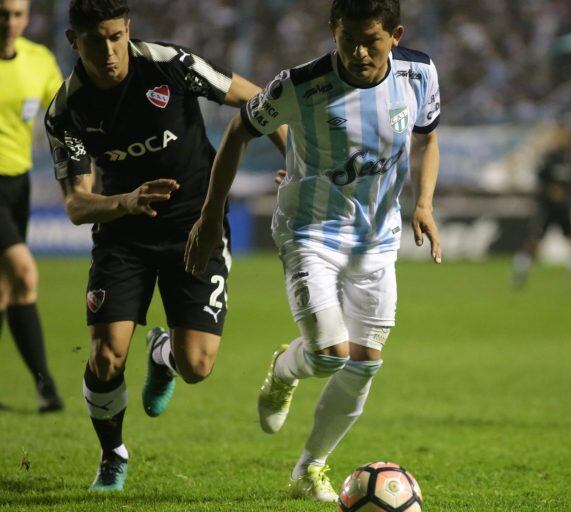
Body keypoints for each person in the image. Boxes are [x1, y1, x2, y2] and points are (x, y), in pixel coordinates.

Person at [185, 0, 441, 502]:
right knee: (329, 355)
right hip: (310, 229)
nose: (359, 51)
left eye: (371, 39)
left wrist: (425, 203)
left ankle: (310, 468)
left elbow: (428, 138)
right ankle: (285, 369)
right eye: (348, 39)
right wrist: (211, 213)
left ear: (395, 35)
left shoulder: (420, 73)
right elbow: (239, 129)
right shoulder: (299, 85)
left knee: (364, 363)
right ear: (333, 32)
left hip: (377, 238)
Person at [44, 0, 285, 492]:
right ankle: (112, 453)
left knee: (196, 366)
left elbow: (259, 99)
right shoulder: (67, 110)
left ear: (127, 29)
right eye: (95, 40)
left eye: (115, 36)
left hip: (196, 226)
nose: (109, 50)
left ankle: (163, 356)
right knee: (107, 357)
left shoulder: (172, 65)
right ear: (74, 41)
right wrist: (126, 201)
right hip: (124, 235)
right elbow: (77, 204)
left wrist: (297, 164)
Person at [0, 0, 64, 412]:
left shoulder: (40, 60)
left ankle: (43, 389)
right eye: (2, 13)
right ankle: (47, 386)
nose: (10, 22)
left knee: (7, 287)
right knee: (24, 271)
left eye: (17, 14)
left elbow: (64, 115)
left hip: (18, 183)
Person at [512, 121, 571, 290]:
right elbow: (539, 180)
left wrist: (567, 193)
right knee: (533, 242)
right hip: (547, 208)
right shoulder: (548, 157)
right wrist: (550, 191)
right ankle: (519, 275)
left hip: (564, 208)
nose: (562, 138)